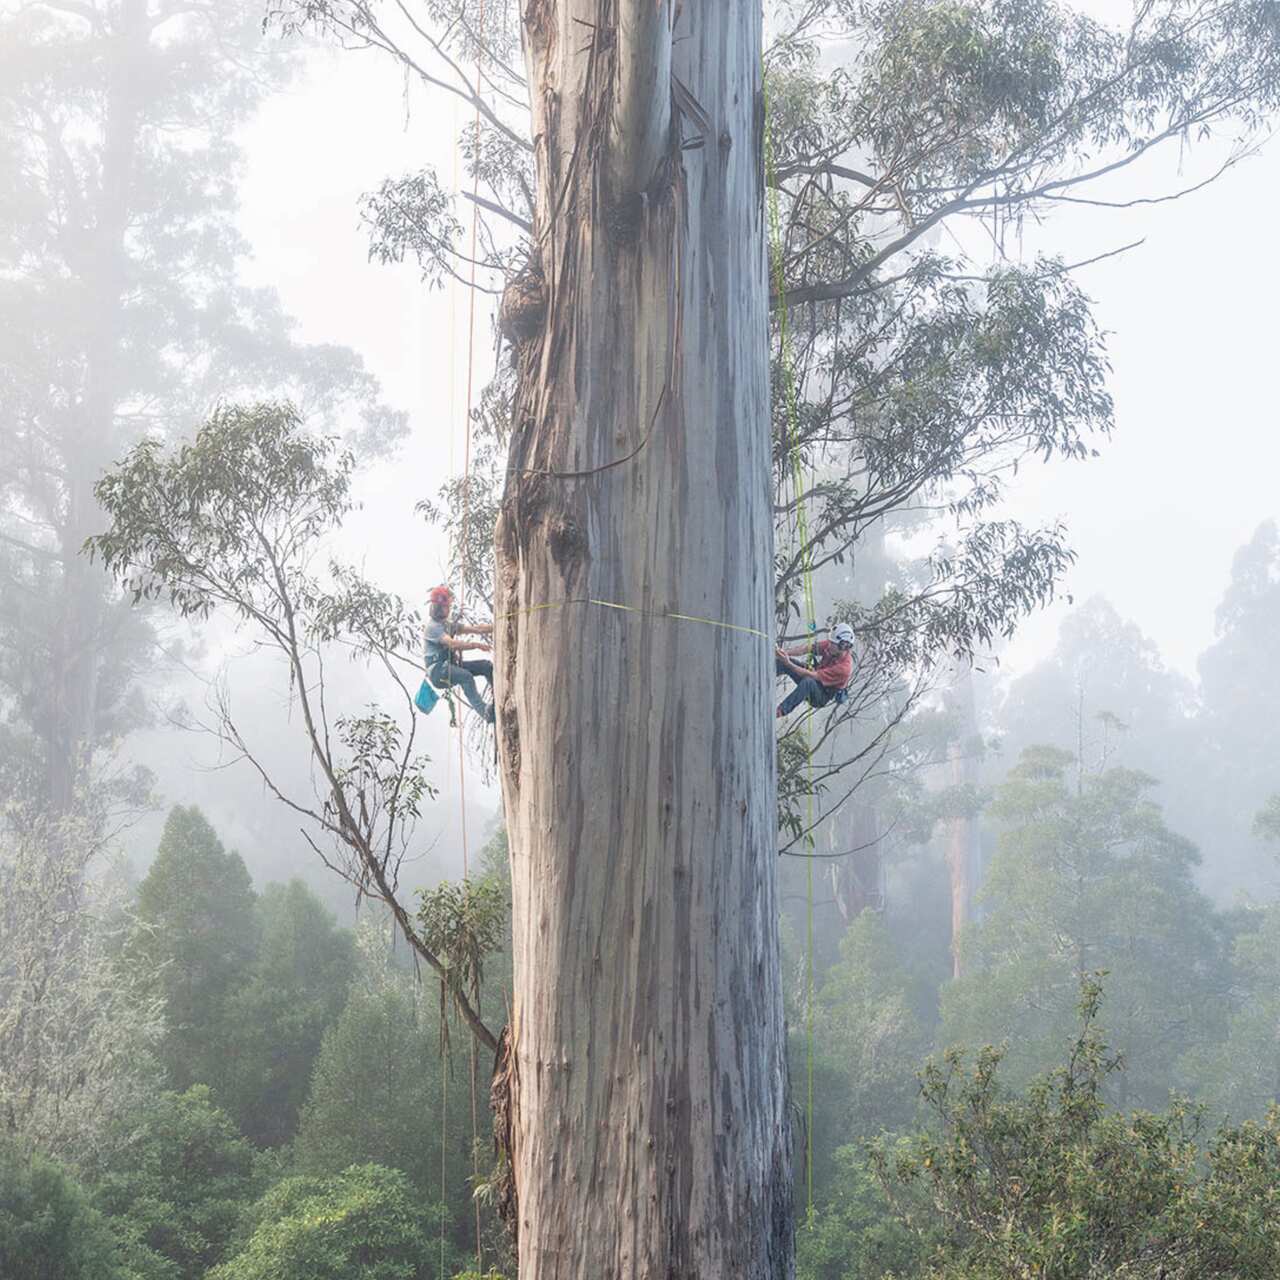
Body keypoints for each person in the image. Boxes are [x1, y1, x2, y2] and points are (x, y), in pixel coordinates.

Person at [425, 585, 495, 723]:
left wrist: (496, 626)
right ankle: (485, 712)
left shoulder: (447, 625)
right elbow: (452, 643)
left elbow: (475, 629)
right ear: (439, 608)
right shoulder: (433, 627)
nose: (449, 609)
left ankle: (499, 697)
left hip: (449, 666)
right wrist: (476, 645)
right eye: (446, 607)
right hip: (438, 671)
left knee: (486, 666)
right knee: (466, 677)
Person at [775, 622, 855, 717]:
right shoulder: (831, 646)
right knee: (781, 662)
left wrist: (788, 663)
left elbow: (811, 676)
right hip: (814, 676)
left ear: (843, 646)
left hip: (821, 695)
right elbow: (806, 649)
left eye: (833, 643)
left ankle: (780, 711)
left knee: (808, 682)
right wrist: (784, 653)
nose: (829, 645)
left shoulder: (844, 668)